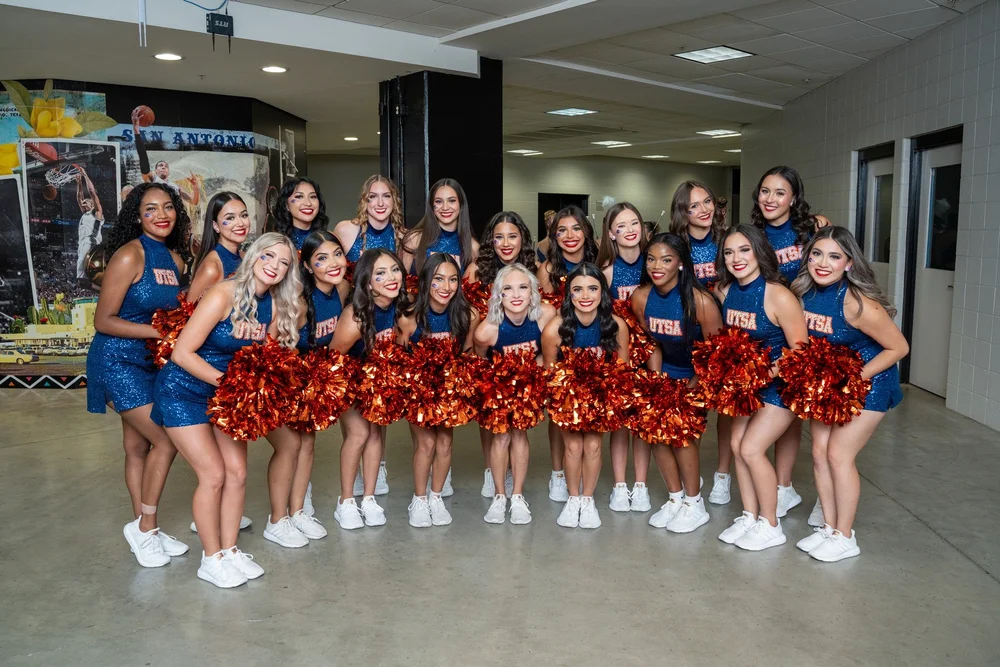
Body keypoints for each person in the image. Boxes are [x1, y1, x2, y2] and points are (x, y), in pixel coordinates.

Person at [151, 232, 301, 588]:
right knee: (214, 475)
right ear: (252, 255)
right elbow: (181, 353)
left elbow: (265, 357)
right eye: (268, 257)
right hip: (184, 391)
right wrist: (230, 383)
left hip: (225, 397)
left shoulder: (273, 305)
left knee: (237, 472)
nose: (274, 267)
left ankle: (230, 550)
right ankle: (211, 558)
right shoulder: (223, 293)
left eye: (283, 263)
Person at [86, 182, 190, 569]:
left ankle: (146, 529)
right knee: (165, 440)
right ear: (137, 216)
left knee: (138, 448)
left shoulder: (175, 260)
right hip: (116, 361)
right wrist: (156, 333)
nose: (161, 215)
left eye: (167, 207)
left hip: (150, 363)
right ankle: (146, 527)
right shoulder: (129, 256)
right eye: (150, 209)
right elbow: (103, 320)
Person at [791, 227, 908, 562]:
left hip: (870, 383)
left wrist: (850, 378)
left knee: (839, 456)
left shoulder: (858, 304)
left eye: (834, 256)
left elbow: (898, 347)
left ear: (848, 263)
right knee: (818, 453)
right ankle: (828, 528)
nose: (822, 263)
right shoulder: (804, 292)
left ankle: (845, 536)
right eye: (816, 254)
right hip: (830, 385)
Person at [714, 224, 807, 551]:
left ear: (759, 252)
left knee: (752, 448)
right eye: (729, 252)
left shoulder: (778, 294)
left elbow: (801, 351)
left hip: (781, 385)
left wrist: (764, 374)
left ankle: (771, 524)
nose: (736, 258)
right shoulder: (726, 293)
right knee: (738, 445)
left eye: (744, 250)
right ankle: (750, 516)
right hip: (746, 385)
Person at [749, 166, 831, 519]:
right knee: (781, 409)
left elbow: (834, 268)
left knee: (813, 420)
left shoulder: (813, 229)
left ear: (793, 197)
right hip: (771, 331)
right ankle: (784, 489)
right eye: (765, 191)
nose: (770, 199)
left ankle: (819, 497)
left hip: (811, 329)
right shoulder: (753, 235)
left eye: (779, 192)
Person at [631, 232, 722, 533]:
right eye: (652, 259)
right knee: (656, 434)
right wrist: (657, 382)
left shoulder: (701, 302)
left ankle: (695, 504)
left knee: (682, 438)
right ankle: (675, 497)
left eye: (666, 260)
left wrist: (691, 387)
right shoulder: (641, 297)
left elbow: (716, 353)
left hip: (697, 374)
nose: (657, 266)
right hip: (665, 370)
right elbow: (651, 342)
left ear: (680, 263)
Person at [263, 230, 349, 545]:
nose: (333, 263)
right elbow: (269, 347)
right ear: (309, 267)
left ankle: (298, 511)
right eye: (321, 259)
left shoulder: (342, 289)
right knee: (291, 448)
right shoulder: (298, 303)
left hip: (312, 384)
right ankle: (277, 519)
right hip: (285, 381)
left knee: (307, 446)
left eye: (337, 254)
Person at [542, 263, 629, 529]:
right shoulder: (554, 329)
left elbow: (621, 371)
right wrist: (565, 402)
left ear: (603, 292)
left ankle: (588, 500)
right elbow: (550, 375)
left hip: (600, 398)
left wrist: (602, 400)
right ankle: (573, 498)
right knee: (573, 447)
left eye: (592, 288)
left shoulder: (617, 326)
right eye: (577, 289)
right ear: (568, 294)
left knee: (592, 446)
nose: (585, 296)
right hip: (567, 399)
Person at [330, 249, 410, 529]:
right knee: (359, 433)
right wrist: (354, 388)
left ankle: (369, 497)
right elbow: (333, 360)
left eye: (395, 270)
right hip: (347, 380)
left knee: (375, 432)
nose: (391, 278)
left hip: (376, 382)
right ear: (367, 283)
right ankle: (346, 500)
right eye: (380, 273)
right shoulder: (356, 317)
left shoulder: (400, 309)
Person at [473, 264, 557, 524]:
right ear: (499, 295)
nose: (517, 294)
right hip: (498, 386)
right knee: (500, 438)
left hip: (529, 384)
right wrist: (497, 390)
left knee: (519, 436)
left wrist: (534, 376)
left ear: (534, 292)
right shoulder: (487, 331)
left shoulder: (545, 315)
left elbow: (547, 351)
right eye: (508, 289)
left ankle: (517, 496)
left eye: (523, 287)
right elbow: (480, 364)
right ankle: (500, 496)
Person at [398, 253, 477, 527]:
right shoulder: (409, 318)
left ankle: (436, 495)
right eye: (438, 279)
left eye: (453, 279)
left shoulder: (467, 315)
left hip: (448, 390)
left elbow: (466, 354)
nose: (446, 287)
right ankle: (419, 499)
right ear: (426, 281)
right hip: (417, 391)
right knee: (427, 443)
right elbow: (398, 358)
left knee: (444, 443)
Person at [464, 211, 538, 498]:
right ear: (490, 242)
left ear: (522, 238)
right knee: (491, 422)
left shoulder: (535, 268)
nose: (506, 243)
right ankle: (491, 470)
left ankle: (513, 476)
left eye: (512, 236)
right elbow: (470, 317)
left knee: (518, 427)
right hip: (488, 352)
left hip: (521, 355)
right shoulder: (476, 271)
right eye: (499, 237)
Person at [668, 181, 732, 506]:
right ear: (683, 212)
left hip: (728, 333)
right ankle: (691, 476)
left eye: (707, 201)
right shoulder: (677, 246)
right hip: (688, 335)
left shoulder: (726, 241)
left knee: (727, 408)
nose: (704, 210)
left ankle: (722, 474)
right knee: (691, 406)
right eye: (694, 206)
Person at [536, 205, 599, 501]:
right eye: (562, 230)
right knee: (559, 415)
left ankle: (583, 481)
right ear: (553, 235)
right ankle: (558, 473)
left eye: (576, 228)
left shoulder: (600, 261)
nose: (570, 236)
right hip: (560, 346)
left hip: (594, 346)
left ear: (586, 231)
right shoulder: (548, 269)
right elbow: (545, 315)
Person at [596, 202, 651, 513]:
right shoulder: (606, 273)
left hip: (649, 354)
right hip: (616, 356)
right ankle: (620, 485)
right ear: (611, 233)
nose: (630, 230)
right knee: (619, 423)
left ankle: (640, 485)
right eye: (622, 225)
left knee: (641, 422)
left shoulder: (653, 265)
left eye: (635, 223)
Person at [400, 178, 479, 275]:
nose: (445, 207)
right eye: (438, 201)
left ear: (461, 204)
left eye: (452, 201)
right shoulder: (414, 239)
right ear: (431, 205)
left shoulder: (473, 247)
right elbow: (401, 283)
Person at [187, 192, 249, 302]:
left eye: (244, 215)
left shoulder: (246, 257)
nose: (240, 223)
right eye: (230, 218)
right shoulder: (211, 268)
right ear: (216, 226)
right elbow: (188, 314)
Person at [334, 175, 403, 263]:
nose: (380, 203)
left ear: (394, 200)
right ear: (364, 201)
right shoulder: (345, 230)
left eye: (386, 196)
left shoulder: (403, 237)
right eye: (373, 196)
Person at [273, 177, 329, 250]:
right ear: (286, 205)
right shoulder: (275, 242)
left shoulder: (328, 239)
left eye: (313, 197)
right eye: (299, 197)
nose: (308, 203)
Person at [75, 168, 104, 282]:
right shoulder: (85, 214)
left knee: (91, 274)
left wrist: (85, 175)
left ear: (92, 204)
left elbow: (92, 191)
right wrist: (78, 183)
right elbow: (79, 198)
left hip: (92, 243)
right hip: (82, 244)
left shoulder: (97, 213)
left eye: (85, 202)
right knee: (81, 278)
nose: (82, 203)